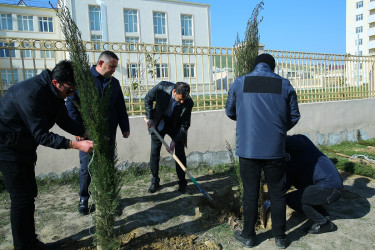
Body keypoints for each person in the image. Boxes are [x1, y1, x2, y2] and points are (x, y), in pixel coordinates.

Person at [0, 60, 94, 249]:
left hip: (24, 146)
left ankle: (30, 241)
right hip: (7, 146)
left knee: (29, 195)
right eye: (69, 90)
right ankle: (23, 246)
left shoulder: (55, 94)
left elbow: (63, 120)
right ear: (56, 83)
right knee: (21, 197)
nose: (72, 94)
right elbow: (42, 135)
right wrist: (76, 145)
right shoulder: (31, 94)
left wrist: (86, 133)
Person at [225, 53, 300, 249]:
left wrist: (247, 121)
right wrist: (279, 130)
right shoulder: (284, 85)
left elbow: (230, 111)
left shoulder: (239, 83)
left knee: (250, 192)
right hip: (275, 149)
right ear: (272, 67)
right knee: (277, 193)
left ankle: (248, 236)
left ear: (255, 65)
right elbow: (294, 115)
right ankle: (281, 238)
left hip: (248, 149)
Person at [66, 51, 130, 215]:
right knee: (86, 166)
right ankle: (84, 199)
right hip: (87, 133)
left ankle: (107, 199)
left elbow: (120, 106)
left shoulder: (113, 83)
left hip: (108, 131)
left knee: (107, 165)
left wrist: (125, 127)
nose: (114, 70)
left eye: (115, 67)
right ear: (101, 63)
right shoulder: (83, 80)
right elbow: (72, 105)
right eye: (111, 67)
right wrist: (78, 129)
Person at [285, 134, 343, 234]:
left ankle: (323, 223)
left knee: (291, 199)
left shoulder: (299, 140)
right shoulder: (293, 158)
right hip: (330, 186)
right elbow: (289, 180)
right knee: (298, 188)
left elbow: (296, 141)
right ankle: (323, 214)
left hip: (330, 187)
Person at [144, 81, 193, 194]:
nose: (182, 102)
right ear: (174, 91)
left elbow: (185, 124)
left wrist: (174, 141)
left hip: (176, 125)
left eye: (184, 99)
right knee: (155, 152)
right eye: (180, 99)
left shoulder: (188, 102)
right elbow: (147, 99)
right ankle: (155, 181)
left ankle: (182, 183)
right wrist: (150, 117)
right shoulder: (161, 88)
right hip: (159, 120)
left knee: (180, 153)